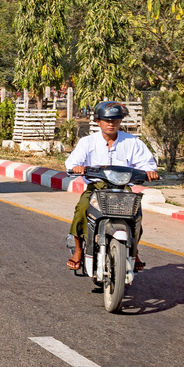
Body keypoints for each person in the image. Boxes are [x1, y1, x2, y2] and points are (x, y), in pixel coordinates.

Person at [65, 101, 159, 272]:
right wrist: (77, 167)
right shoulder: (87, 142)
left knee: (136, 216)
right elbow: (72, 162)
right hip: (97, 188)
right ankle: (78, 250)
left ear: (120, 121)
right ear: (98, 121)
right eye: (106, 120)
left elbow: (147, 163)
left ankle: (134, 251)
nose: (111, 124)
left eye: (115, 120)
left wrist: (150, 171)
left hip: (123, 188)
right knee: (82, 210)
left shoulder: (133, 142)